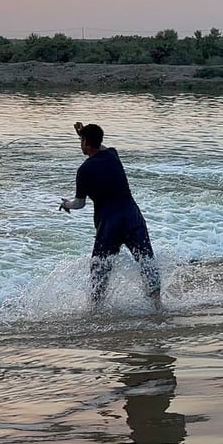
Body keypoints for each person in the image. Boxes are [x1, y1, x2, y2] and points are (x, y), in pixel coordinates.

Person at [59, 122, 161, 310]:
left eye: (81, 141)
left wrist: (66, 205)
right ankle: (157, 304)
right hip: (132, 216)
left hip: (109, 223)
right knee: (146, 260)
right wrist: (84, 135)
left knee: (100, 267)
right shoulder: (112, 155)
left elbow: (79, 203)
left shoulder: (84, 170)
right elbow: (100, 147)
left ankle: (95, 308)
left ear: (86, 143)